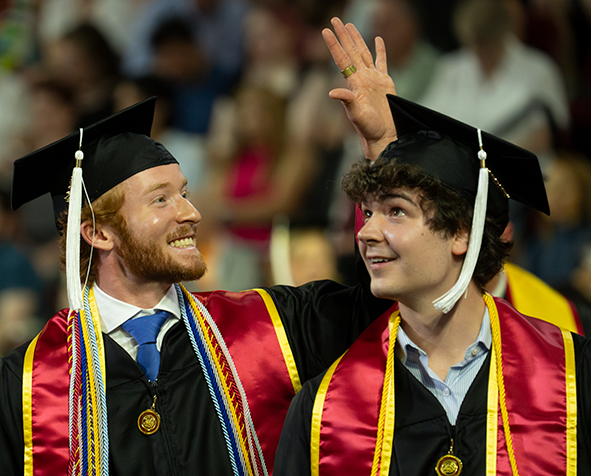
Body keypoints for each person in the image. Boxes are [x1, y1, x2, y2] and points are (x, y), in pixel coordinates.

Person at [0, 96, 393, 475]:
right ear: (99, 233)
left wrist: (382, 152)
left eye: (184, 194)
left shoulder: (270, 327)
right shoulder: (28, 385)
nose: (192, 213)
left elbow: (379, 306)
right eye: (161, 200)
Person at [274, 18, 591, 475]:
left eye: (396, 212)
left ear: (462, 233)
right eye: (368, 211)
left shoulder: (570, 376)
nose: (364, 232)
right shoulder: (325, 406)